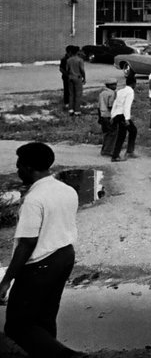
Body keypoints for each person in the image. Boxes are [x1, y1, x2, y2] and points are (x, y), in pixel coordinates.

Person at [0, 142, 83, 358]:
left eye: (19, 166)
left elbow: (27, 243)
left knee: (17, 326)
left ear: (28, 168)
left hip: (41, 264)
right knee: (45, 318)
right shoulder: (67, 190)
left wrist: (7, 280)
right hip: (64, 256)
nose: (17, 171)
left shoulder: (34, 200)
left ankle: (69, 357)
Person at [109, 77, 136, 162]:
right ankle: (120, 154)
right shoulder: (130, 91)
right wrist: (127, 119)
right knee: (129, 132)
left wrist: (112, 116)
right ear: (133, 84)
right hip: (123, 115)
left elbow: (115, 103)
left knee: (126, 133)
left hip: (117, 114)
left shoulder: (120, 91)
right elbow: (127, 106)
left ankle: (122, 153)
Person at [98, 79, 117, 157]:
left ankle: (104, 149)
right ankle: (108, 150)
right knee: (112, 133)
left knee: (106, 133)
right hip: (108, 115)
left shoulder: (102, 93)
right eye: (113, 85)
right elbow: (110, 106)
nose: (115, 86)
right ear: (109, 86)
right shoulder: (111, 94)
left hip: (102, 115)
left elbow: (99, 106)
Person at [64, 46, 85, 116]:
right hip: (77, 77)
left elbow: (67, 69)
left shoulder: (68, 60)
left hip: (70, 77)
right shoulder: (80, 60)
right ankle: (77, 110)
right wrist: (84, 78)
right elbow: (82, 70)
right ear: (77, 52)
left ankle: (71, 109)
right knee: (78, 94)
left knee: (71, 94)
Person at [59, 45, 73, 111]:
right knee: (66, 90)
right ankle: (66, 103)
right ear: (69, 51)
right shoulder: (64, 59)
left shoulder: (72, 58)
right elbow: (61, 69)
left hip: (73, 77)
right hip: (66, 77)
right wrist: (67, 75)